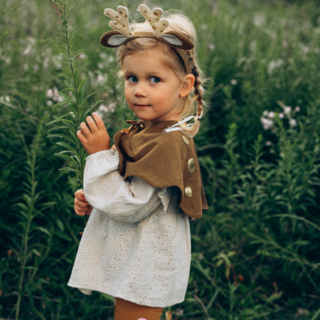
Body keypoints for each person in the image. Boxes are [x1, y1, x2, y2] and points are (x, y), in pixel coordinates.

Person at [68, 5, 208, 320]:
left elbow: (131, 204)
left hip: (147, 265)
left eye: (154, 79)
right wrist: (96, 198)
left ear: (184, 85)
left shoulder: (167, 143)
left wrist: (100, 154)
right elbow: (132, 189)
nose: (139, 90)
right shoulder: (153, 132)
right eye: (132, 78)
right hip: (138, 258)